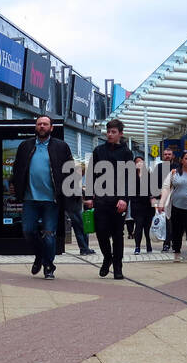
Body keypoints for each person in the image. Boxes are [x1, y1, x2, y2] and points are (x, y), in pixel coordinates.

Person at [10, 115, 75, 280]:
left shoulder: (61, 147)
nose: (42, 126)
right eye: (39, 124)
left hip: (51, 200)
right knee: (28, 231)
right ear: (35, 127)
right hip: (30, 198)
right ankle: (40, 255)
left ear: (51, 128)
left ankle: (48, 266)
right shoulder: (25, 146)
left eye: (45, 124)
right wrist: (14, 184)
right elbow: (17, 168)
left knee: (49, 234)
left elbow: (70, 170)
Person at [88, 118, 133, 279]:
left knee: (117, 234)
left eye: (113, 132)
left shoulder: (127, 153)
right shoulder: (98, 151)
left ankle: (118, 266)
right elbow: (91, 174)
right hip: (101, 199)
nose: (109, 134)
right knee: (101, 232)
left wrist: (124, 199)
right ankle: (107, 258)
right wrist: (88, 196)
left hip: (118, 201)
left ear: (120, 134)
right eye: (108, 131)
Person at [64, 164, 95, 256]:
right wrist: (86, 201)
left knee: (79, 229)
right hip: (75, 207)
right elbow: (76, 195)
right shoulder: (74, 181)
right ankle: (84, 248)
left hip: (72, 207)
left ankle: (84, 248)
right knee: (83, 229)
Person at [130, 156, 154, 254]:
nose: (140, 163)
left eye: (141, 162)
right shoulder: (132, 176)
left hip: (148, 205)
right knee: (138, 226)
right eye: (137, 162)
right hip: (137, 205)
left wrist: (154, 202)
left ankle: (149, 244)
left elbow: (154, 190)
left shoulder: (149, 175)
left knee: (148, 227)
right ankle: (137, 247)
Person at [157, 147, 177, 252]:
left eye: (169, 154)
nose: (167, 156)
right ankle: (166, 243)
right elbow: (154, 184)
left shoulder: (178, 167)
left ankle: (174, 243)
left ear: (173, 156)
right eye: (165, 154)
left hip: (175, 198)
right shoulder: (159, 167)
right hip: (163, 198)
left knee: (174, 222)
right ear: (163, 156)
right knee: (165, 222)